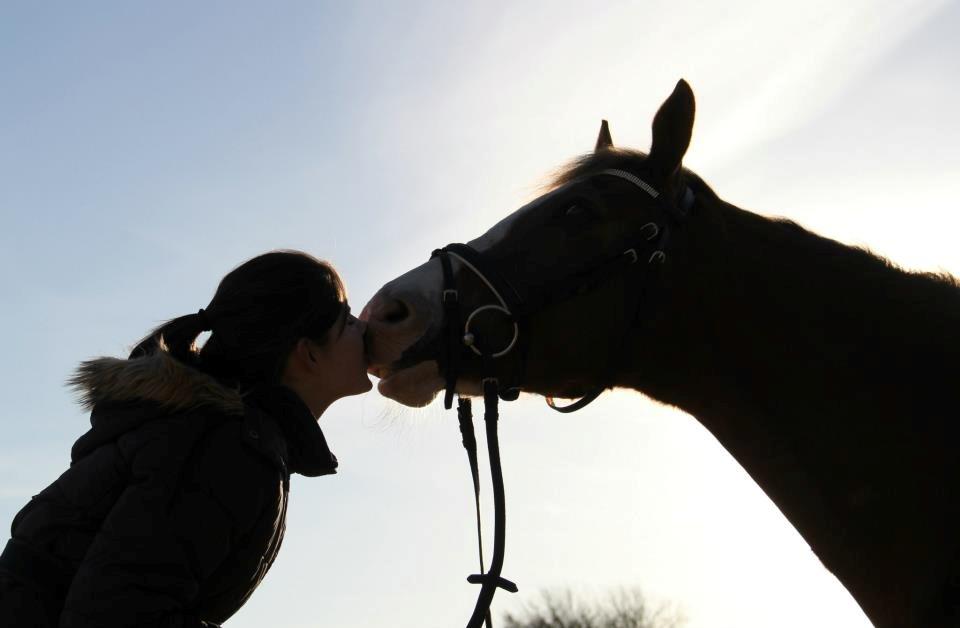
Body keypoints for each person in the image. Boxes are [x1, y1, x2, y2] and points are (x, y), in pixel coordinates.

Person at [0, 250, 372, 628]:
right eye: (348, 323)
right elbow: (117, 615)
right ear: (307, 352)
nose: (365, 328)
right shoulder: (226, 450)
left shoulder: (218, 433)